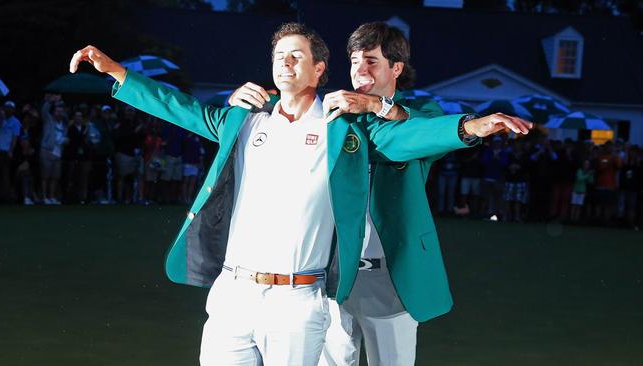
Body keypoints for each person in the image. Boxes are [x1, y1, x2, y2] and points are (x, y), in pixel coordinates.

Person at [70, 22, 531, 365]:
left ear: (319, 68)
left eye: (297, 56)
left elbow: (409, 137)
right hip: (236, 290)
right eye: (279, 56)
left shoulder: (347, 124)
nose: (286, 62)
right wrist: (117, 72)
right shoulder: (245, 116)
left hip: (309, 294)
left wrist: (471, 127)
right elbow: (181, 109)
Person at [228, 22, 532, 366]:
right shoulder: (339, 113)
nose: (360, 69)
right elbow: (290, 110)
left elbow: (421, 130)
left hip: (389, 275)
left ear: (396, 68)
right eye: (355, 60)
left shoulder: (421, 112)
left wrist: (470, 125)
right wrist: (243, 101)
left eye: (371, 60)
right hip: (333, 274)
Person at [0, 101, 22, 203]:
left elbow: (14, 138)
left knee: (5, 175)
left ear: (13, 110)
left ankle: (6, 197)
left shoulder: (16, 122)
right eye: (6, 107)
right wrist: (0, 120)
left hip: (6, 152)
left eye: (9, 108)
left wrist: (11, 151)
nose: (7, 109)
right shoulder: (0, 120)